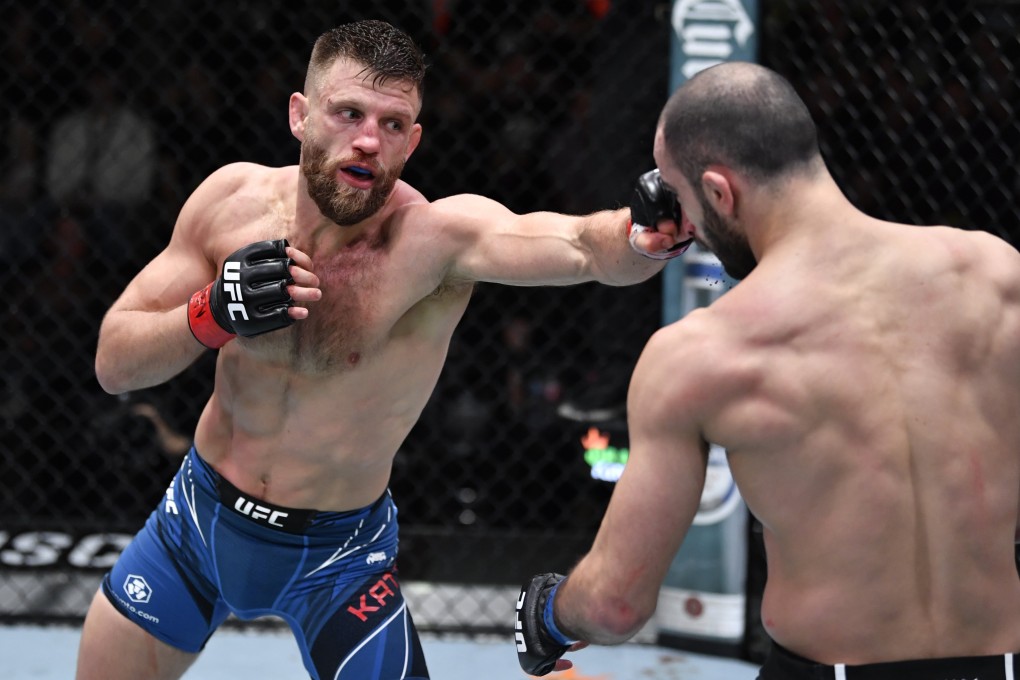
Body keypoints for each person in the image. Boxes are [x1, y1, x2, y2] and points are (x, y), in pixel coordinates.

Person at [74, 19, 692, 680]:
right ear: (300, 116)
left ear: (414, 139)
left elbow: (580, 247)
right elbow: (114, 363)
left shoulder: (435, 242)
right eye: (348, 113)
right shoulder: (231, 202)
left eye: (393, 124)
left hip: (339, 560)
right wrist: (209, 315)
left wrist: (640, 232)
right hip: (196, 526)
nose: (369, 139)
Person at [514, 61, 1020, 679]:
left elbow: (614, 605)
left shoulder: (702, 354)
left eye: (683, 196)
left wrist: (545, 615)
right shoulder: (995, 274)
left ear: (720, 192)